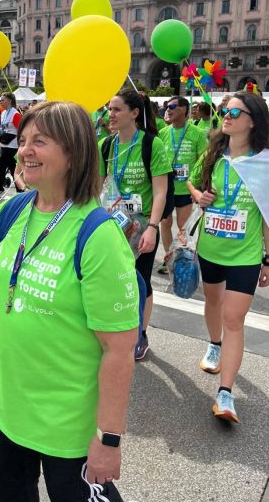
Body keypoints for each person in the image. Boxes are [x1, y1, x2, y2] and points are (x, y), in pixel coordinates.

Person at [0, 101, 147, 502]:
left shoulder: (97, 234)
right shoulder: (14, 210)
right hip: (3, 403)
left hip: (64, 418)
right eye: (23, 140)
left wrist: (108, 439)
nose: (23, 150)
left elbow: (120, 350)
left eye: (39, 142)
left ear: (73, 152)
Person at [187, 92, 269, 423]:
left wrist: (267, 259)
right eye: (225, 110)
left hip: (245, 255)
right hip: (210, 248)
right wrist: (200, 196)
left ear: (253, 121)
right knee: (213, 305)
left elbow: (266, 214)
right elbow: (192, 184)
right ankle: (214, 344)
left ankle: (225, 394)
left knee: (234, 318)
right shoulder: (213, 155)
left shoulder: (264, 163)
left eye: (235, 111)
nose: (228, 115)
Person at [100, 89, 171, 360]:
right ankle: (114, 329)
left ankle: (141, 333)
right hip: (113, 224)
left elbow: (161, 191)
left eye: (117, 109)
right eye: (109, 109)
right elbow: (98, 187)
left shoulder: (152, 145)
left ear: (134, 113)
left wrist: (153, 228)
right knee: (113, 277)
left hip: (143, 228)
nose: (111, 114)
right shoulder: (106, 145)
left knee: (141, 279)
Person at [157, 95, 208, 273]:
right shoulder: (163, 133)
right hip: (166, 188)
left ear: (184, 110)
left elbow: (204, 160)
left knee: (182, 227)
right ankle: (168, 258)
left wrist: (199, 186)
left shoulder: (197, 133)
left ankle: (181, 259)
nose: (167, 110)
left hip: (185, 189)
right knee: (164, 223)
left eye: (171, 106)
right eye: (166, 106)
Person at [0, 92, 21, 201]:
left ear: (9, 101)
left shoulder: (15, 114)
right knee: (3, 169)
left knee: (12, 170)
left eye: (3, 100)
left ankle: (19, 192)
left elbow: (21, 130)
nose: (0, 102)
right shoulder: (3, 113)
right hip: (3, 145)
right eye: (0, 100)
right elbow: (4, 129)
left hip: (12, 147)